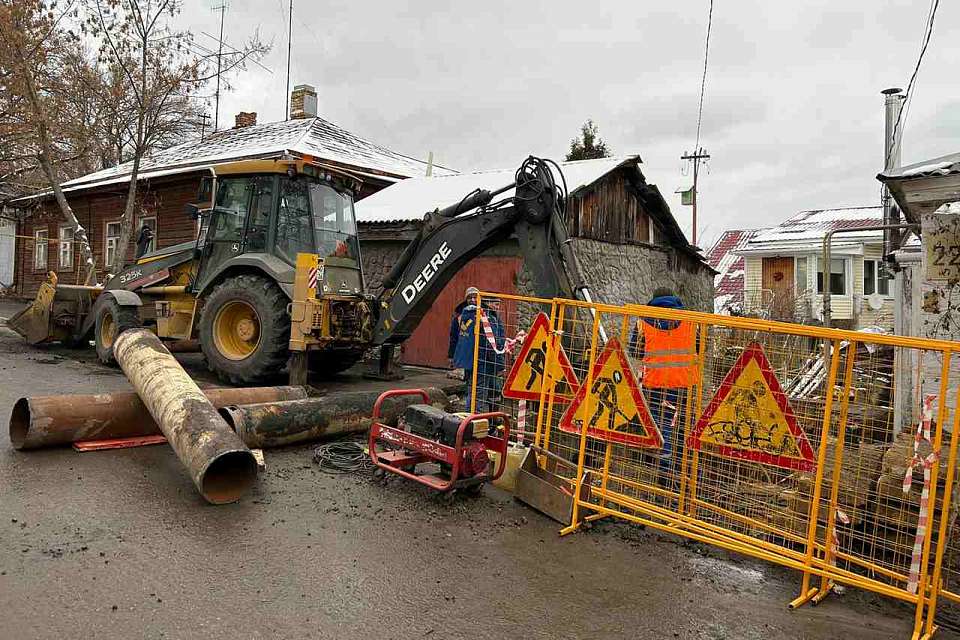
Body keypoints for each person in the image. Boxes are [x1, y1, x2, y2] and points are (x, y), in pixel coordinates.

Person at [629, 287, 697, 483]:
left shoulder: (644, 321)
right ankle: (681, 468)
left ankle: (664, 471)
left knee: (661, 424)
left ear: (654, 300)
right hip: (683, 383)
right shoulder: (691, 321)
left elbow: (635, 351)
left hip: (655, 383)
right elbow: (701, 347)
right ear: (674, 299)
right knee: (682, 425)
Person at [451, 287, 505, 412]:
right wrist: (499, 365)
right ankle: (475, 417)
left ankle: (471, 415)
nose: (497, 307)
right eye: (495, 304)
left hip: (472, 360)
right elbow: (492, 343)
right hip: (485, 361)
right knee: (481, 391)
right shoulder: (486, 317)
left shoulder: (467, 314)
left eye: (475, 297)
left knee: (473, 389)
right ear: (487, 303)